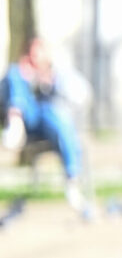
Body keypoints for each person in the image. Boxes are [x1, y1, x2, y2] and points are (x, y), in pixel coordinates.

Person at [1, 36, 89, 212]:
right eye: (32, 54)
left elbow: (81, 95)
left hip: (50, 122)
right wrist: (26, 75)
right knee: (15, 75)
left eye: (39, 54)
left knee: (58, 117)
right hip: (26, 119)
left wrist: (50, 81)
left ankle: (72, 180)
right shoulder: (17, 73)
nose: (35, 59)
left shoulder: (56, 73)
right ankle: (15, 122)